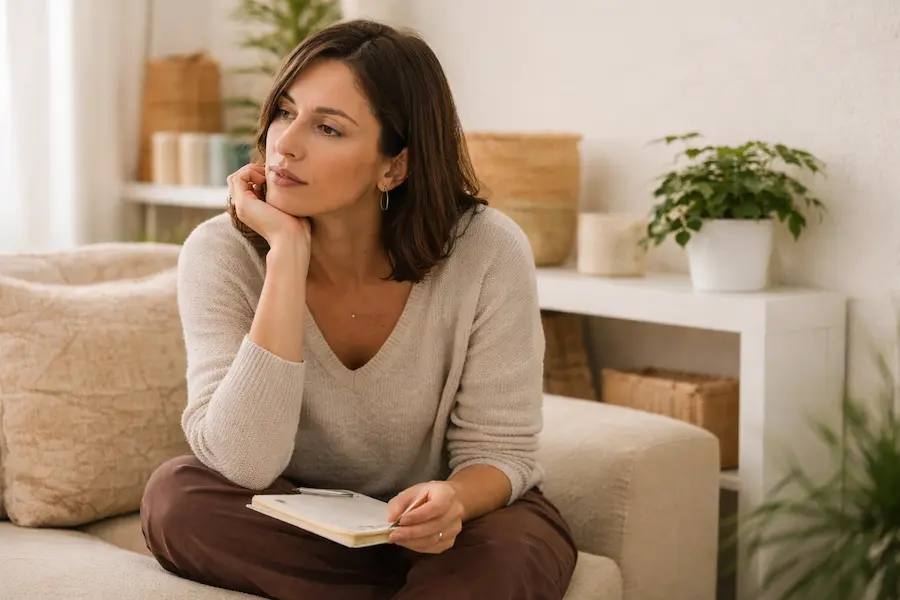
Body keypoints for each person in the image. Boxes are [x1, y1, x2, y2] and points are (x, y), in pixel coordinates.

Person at [140, 18, 577, 600]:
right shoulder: (220, 251)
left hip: (446, 524)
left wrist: (453, 501)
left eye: (327, 127)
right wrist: (287, 255)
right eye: (284, 112)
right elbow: (243, 463)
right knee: (176, 499)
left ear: (394, 165)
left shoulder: (487, 251)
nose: (285, 143)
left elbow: (500, 452)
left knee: (511, 547)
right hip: (299, 519)